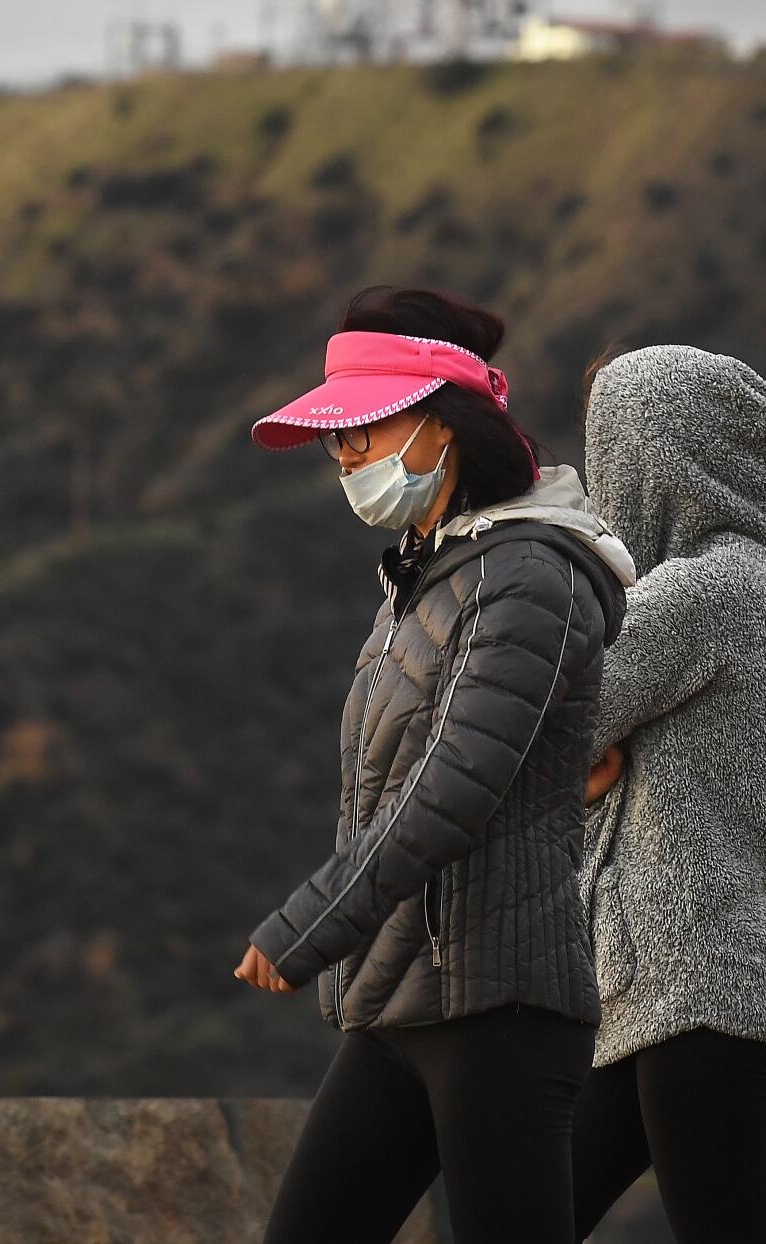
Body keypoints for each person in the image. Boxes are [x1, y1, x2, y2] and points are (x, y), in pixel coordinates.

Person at [232, 286, 637, 1244]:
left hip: (499, 1008)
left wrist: (309, 926)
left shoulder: (528, 575)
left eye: (366, 433)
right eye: (339, 442)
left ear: (443, 427)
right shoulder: (429, 578)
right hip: (402, 1001)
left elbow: (448, 789)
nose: (346, 460)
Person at [565, 344, 766, 1243]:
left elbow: (544, 714)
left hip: (693, 981)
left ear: (655, 459)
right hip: (670, 989)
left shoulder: (702, 592)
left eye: (610, 457)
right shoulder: (761, 584)